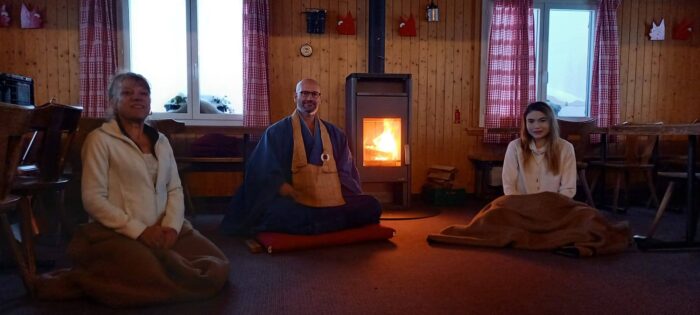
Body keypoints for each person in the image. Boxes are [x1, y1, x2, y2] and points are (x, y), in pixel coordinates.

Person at [36, 72, 229, 307]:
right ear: (112, 102)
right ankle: (98, 276)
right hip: (117, 232)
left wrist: (171, 228)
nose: (137, 98)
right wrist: (140, 231)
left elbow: (175, 189)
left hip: (165, 230)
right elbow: (93, 199)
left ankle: (163, 267)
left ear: (149, 104)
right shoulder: (100, 140)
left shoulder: (161, 141)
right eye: (127, 93)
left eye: (143, 93)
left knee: (218, 266)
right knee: (148, 272)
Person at [220, 78, 381, 236]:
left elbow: (346, 172)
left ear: (320, 98)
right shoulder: (277, 132)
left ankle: (316, 225)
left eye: (314, 94)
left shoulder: (335, 134)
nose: (309, 98)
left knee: (372, 205)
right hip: (296, 201)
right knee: (279, 213)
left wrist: (332, 191)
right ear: (295, 97)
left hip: (330, 201)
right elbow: (262, 170)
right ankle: (326, 224)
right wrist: (282, 186)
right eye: (304, 93)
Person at [501, 101, 577, 198]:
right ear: (525, 123)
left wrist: (549, 207)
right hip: (521, 205)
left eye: (542, 120)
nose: (536, 126)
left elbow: (568, 189)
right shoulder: (515, 147)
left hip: (555, 206)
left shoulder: (566, 148)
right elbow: (509, 186)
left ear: (551, 122)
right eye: (531, 121)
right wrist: (524, 206)